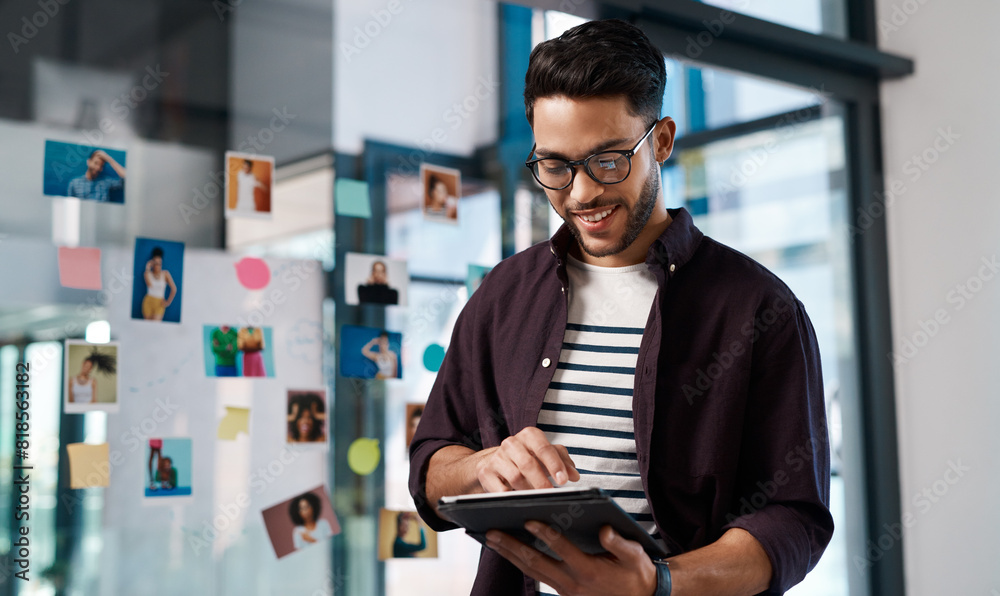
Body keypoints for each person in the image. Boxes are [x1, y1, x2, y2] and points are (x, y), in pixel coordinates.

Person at [408, 19, 832, 596]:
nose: (581, 193)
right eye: (555, 166)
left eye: (608, 160)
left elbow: (794, 519)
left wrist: (658, 584)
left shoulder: (761, 308)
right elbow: (432, 458)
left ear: (660, 140)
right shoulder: (504, 293)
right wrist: (480, 469)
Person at [142, 246, 177, 321]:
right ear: (152, 263)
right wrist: (147, 267)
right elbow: (149, 285)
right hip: (148, 301)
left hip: (159, 302)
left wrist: (168, 302)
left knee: (156, 324)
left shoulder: (165, 273)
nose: (158, 266)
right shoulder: (147, 273)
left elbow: (174, 289)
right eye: (156, 263)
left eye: (159, 263)